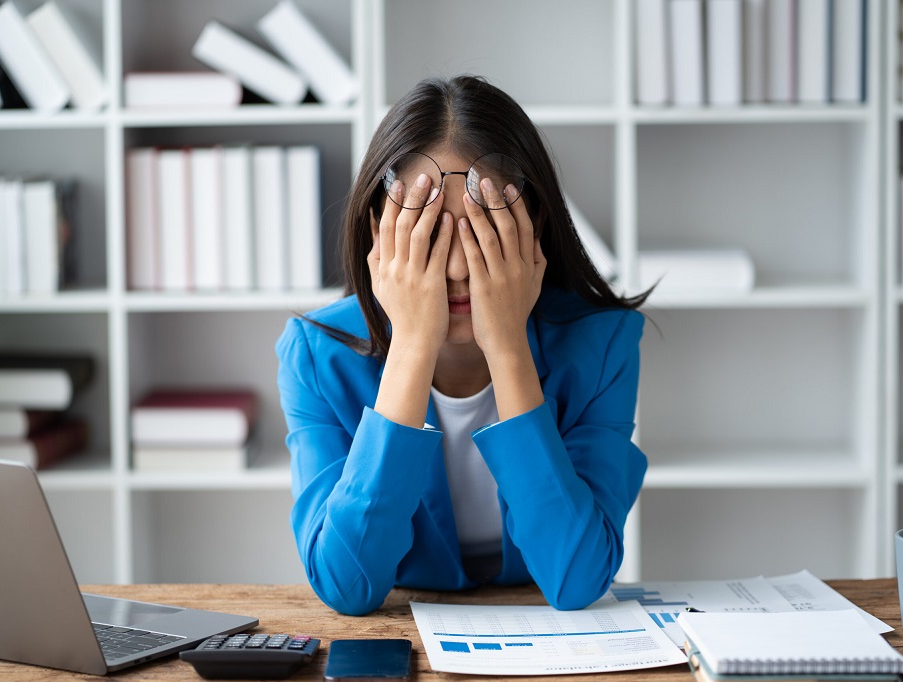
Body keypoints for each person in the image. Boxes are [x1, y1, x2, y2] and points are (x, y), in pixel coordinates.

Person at [275, 75, 651, 616]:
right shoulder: (315, 356)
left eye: (480, 235)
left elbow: (576, 578)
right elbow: (346, 585)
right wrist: (410, 345)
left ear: (534, 226)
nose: (455, 269)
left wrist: (507, 345)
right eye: (428, 236)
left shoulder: (604, 344)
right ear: (379, 235)